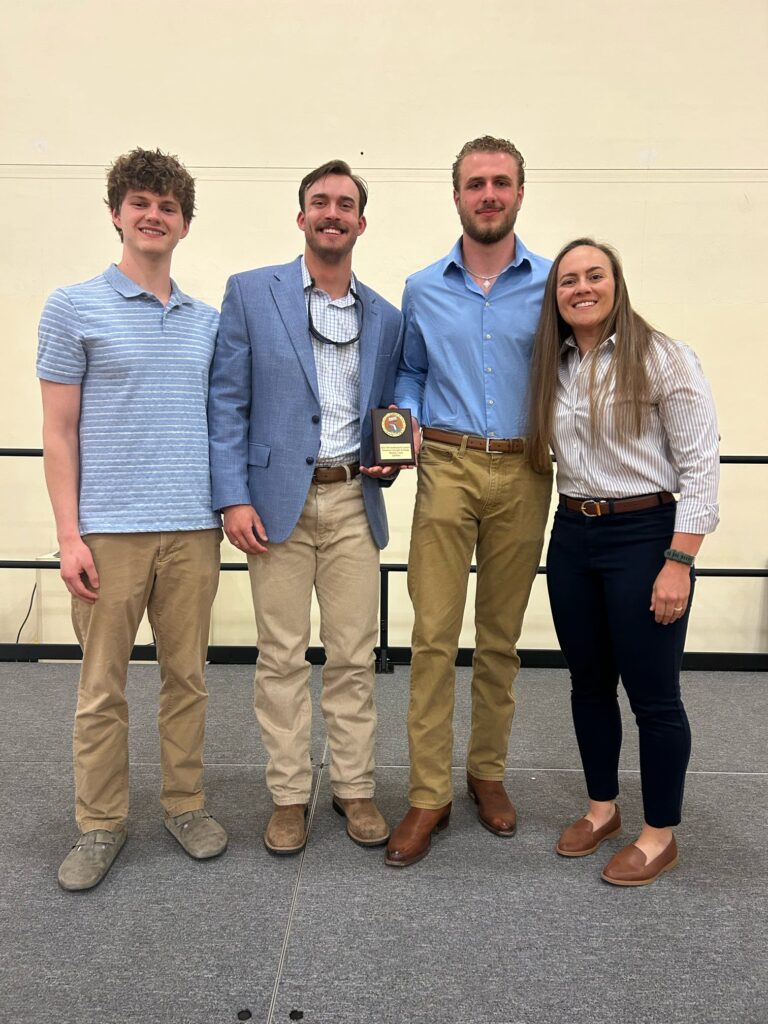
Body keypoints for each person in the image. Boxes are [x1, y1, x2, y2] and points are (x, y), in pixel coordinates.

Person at [37, 147, 227, 891]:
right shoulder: (73, 306)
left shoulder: (205, 321)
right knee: (102, 688)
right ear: (116, 213)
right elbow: (58, 431)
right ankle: (100, 823)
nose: (154, 215)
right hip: (107, 533)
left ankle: (184, 804)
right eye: (141, 203)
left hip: (191, 529)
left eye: (168, 206)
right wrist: (66, 535)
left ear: (184, 224)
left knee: (188, 679)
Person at [208, 160, 403, 855]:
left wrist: (392, 450)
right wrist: (231, 494)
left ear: (360, 222)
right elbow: (227, 401)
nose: (332, 213)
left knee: (355, 655)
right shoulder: (251, 293)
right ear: (301, 217)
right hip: (274, 505)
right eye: (319, 202)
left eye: (345, 204)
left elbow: (392, 406)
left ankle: (354, 787)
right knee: (281, 657)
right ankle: (289, 794)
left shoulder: (386, 315)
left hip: (355, 499)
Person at [527, 238, 719, 886]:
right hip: (573, 535)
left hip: (645, 535)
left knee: (655, 697)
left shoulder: (663, 357)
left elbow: (700, 469)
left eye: (594, 276)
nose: (581, 288)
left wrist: (678, 562)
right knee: (587, 684)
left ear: (616, 283)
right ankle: (602, 807)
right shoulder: (551, 364)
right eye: (568, 280)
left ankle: (659, 834)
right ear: (556, 295)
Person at [385, 136, 553, 867]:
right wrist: (406, 416)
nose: (489, 194)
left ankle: (486, 774)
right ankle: (428, 794)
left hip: (525, 469)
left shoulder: (552, 283)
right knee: (432, 636)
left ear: (520, 192)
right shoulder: (422, 287)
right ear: (455, 196)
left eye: (501, 183)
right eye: (476, 184)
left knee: (500, 640)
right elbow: (410, 374)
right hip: (447, 465)